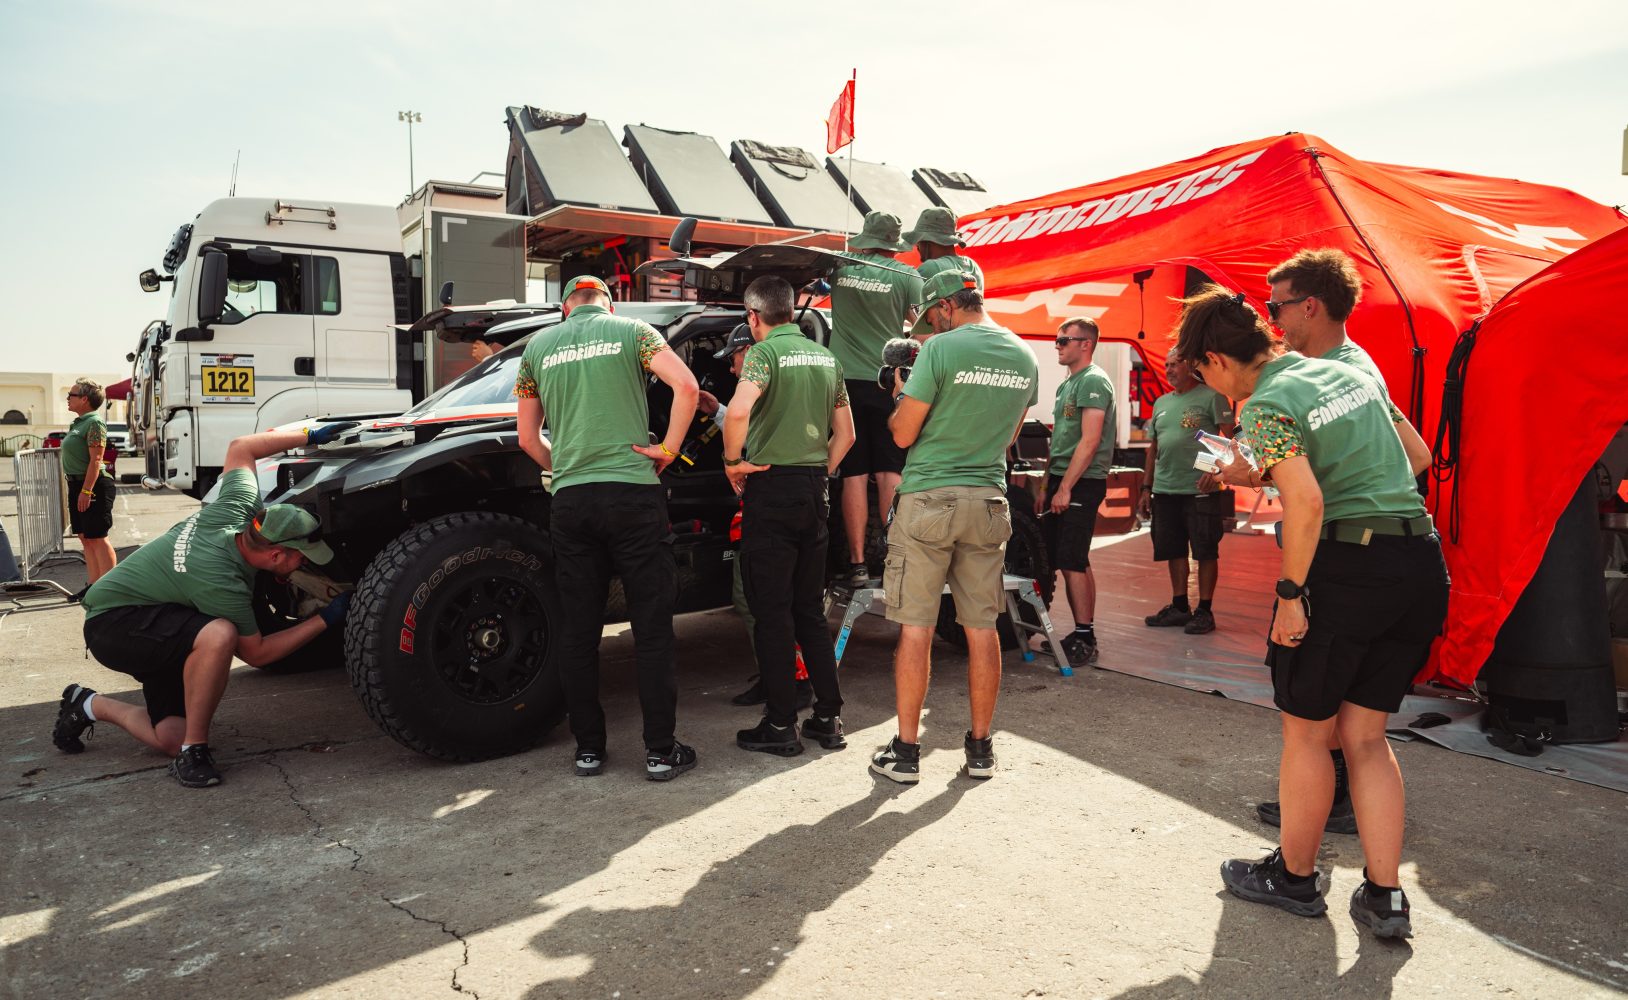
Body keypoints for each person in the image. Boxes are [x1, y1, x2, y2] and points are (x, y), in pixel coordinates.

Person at [1173, 285, 1447, 939]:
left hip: (1347, 570)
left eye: (1203, 373)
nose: (1212, 388)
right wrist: (1270, 472)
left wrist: (1291, 595)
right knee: (1367, 738)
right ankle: (1385, 896)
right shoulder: (1348, 371)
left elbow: (1310, 503)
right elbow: (1415, 458)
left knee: (1307, 734)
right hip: (1418, 564)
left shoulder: (1268, 403)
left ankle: (1294, 878)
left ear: (1215, 360)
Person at [1229, 249, 1434, 836]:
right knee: (1361, 727)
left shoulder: (1329, 372)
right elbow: (1414, 458)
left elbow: (1338, 481)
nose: (1271, 321)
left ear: (1310, 306)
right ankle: (1361, 850)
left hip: (1348, 554)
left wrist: (1277, 479)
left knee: (1315, 713)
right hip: (1404, 554)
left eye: (1277, 307)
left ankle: (1316, 823)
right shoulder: (1353, 367)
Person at [52, 422, 357, 788]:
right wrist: (326, 619)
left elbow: (242, 446)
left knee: (168, 738)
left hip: (161, 614)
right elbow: (257, 653)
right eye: (301, 558)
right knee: (219, 635)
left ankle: (87, 703)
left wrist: (310, 435)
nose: (304, 564)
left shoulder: (239, 508)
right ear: (276, 555)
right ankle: (193, 752)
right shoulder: (220, 579)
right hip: (114, 625)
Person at [514, 274, 701, 781]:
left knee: (579, 631)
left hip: (572, 501)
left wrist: (565, 468)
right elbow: (687, 387)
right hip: (633, 494)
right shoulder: (634, 332)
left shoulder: (537, 348)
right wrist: (668, 449)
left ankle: (589, 750)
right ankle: (660, 752)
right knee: (651, 627)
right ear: (609, 306)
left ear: (565, 309)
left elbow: (527, 438)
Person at [871, 269, 1038, 783]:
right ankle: (981, 750)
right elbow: (1007, 436)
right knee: (982, 628)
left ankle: (906, 754)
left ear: (946, 305)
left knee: (917, 627)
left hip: (929, 498)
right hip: (988, 501)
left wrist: (901, 395)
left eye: (932, 313)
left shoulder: (940, 350)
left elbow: (902, 434)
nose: (932, 323)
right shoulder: (1024, 355)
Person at [722, 276, 856, 757]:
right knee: (809, 612)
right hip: (813, 492)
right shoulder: (826, 358)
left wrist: (732, 462)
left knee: (772, 614)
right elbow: (847, 434)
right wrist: (819, 471)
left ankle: (780, 724)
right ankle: (828, 718)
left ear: (753, 316)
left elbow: (737, 413)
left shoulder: (763, 355)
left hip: (771, 492)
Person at [708, 323, 815, 712]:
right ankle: (776, 677)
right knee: (756, 600)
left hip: (770, 508)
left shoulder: (763, 384)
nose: (732, 369)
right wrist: (716, 411)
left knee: (768, 602)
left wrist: (731, 464)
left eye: (734, 358)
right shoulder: (779, 383)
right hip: (780, 503)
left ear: (749, 352)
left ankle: (793, 683)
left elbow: (748, 425)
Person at [829, 211, 924, 589]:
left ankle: (856, 565)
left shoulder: (840, 266)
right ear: (894, 244)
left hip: (843, 383)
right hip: (887, 381)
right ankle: (893, 559)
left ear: (865, 238)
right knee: (889, 472)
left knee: (853, 473)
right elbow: (925, 326)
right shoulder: (907, 276)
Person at [1136, 356, 1235, 635]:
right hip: (1165, 490)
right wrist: (1146, 487)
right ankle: (1180, 607)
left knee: (1205, 550)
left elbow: (1232, 440)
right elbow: (1154, 448)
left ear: (1191, 366)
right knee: (1173, 549)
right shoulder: (1161, 403)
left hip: (1200, 490)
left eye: (1175, 363)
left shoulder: (1212, 397)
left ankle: (1204, 610)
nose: (1169, 369)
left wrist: (1216, 470)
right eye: (1167, 364)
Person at [1040, 318, 1116, 665]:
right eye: (1057, 340)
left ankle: (1086, 637)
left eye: (1064, 340)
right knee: (1071, 559)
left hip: (1083, 480)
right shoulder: (1067, 384)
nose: (1057, 346)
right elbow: (1060, 440)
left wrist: (1066, 488)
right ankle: (1082, 632)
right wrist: (1047, 485)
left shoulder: (1093, 380)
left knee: (1072, 559)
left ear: (1086, 344)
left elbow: (1090, 440)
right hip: (1063, 479)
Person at [60, 379, 117, 593]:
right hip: (77, 484)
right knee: (86, 538)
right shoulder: (79, 423)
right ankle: (94, 586)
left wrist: (86, 491)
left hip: (93, 485)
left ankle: (111, 590)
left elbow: (96, 460)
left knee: (98, 538)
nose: (68, 398)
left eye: (71, 394)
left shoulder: (94, 423)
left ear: (84, 399)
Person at [905, 206, 985, 289]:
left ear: (926, 242)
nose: (917, 247)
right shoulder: (973, 266)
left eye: (918, 242)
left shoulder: (930, 268)